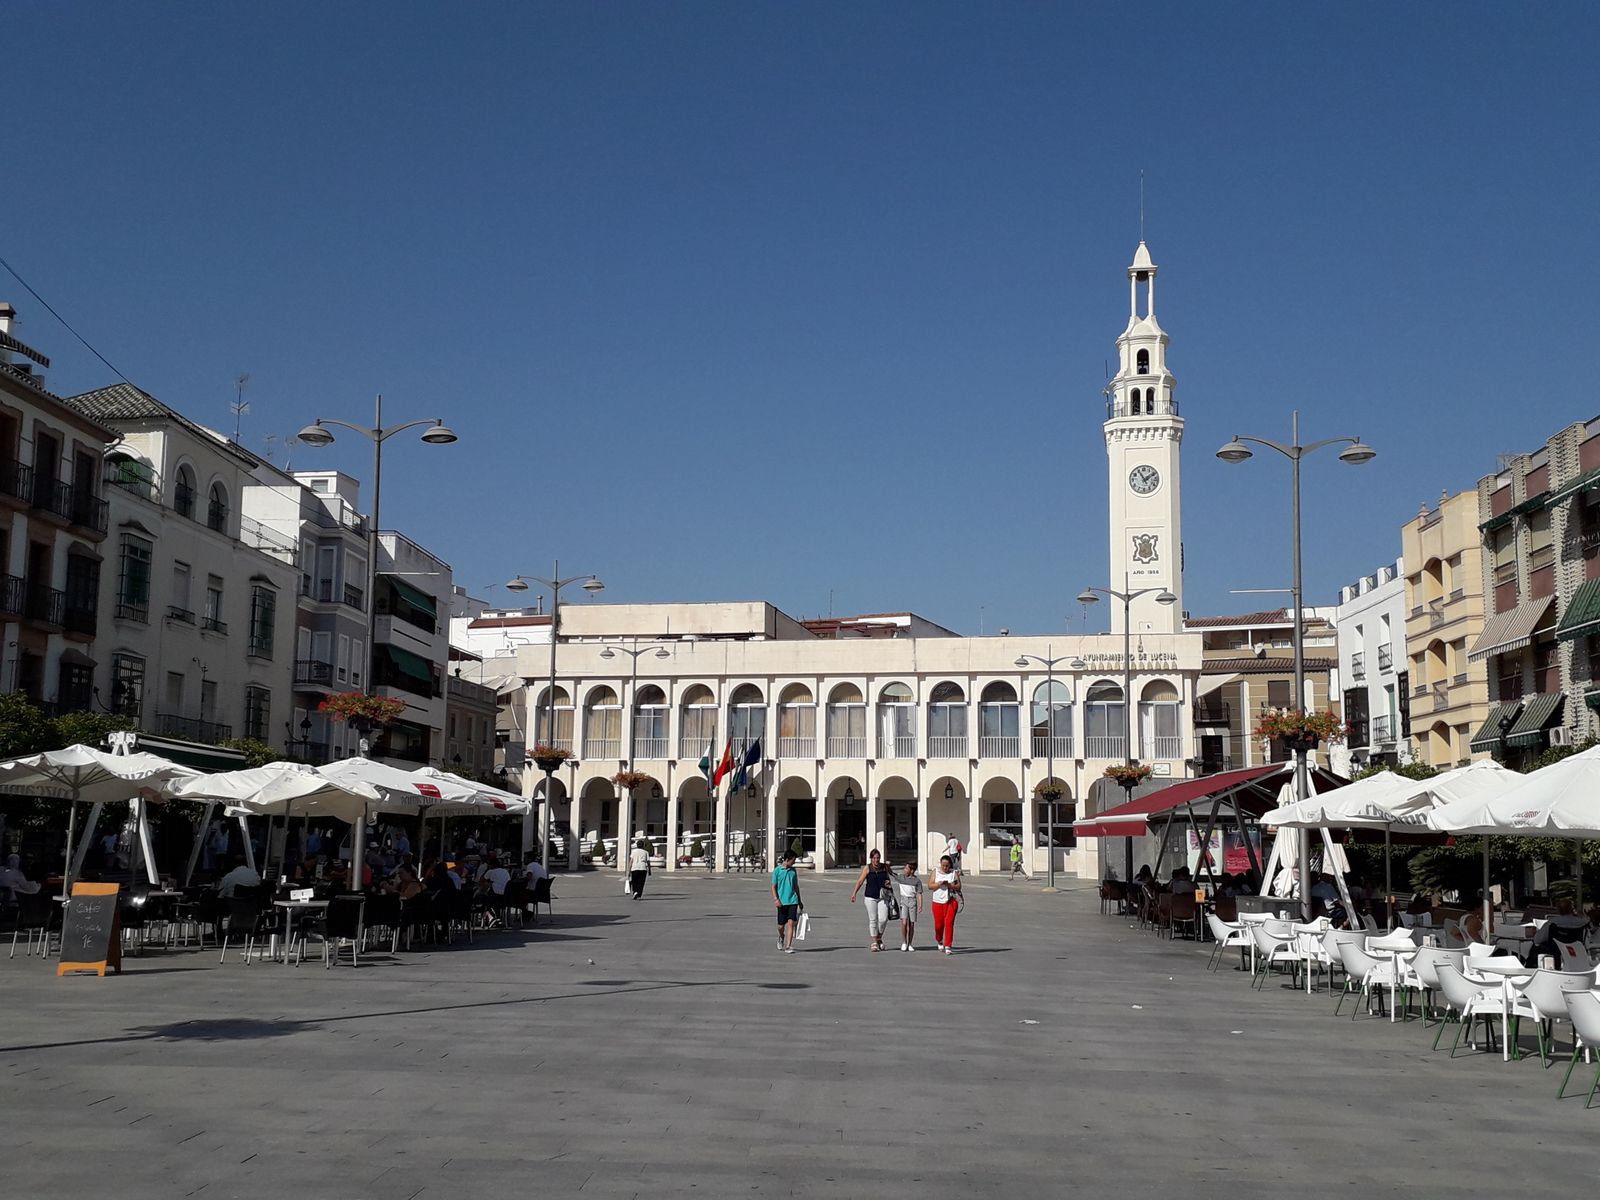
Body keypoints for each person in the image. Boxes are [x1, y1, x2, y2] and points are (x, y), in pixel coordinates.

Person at [848, 849, 893, 951]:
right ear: (871, 858)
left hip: (883, 896)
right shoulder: (867, 868)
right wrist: (854, 893)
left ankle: (879, 938)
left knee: (883, 919)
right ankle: (874, 942)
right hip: (870, 897)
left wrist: (889, 884)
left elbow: (891, 876)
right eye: (874, 858)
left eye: (878, 858)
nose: (876, 860)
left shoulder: (885, 867)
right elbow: (860, 881)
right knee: (873, 919)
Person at [927, 854, 962, 954]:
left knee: (949, 923)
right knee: (939, 925)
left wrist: (950, 885)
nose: (945, 867)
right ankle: (939, 940)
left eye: (947, 865)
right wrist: (938, 884)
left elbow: (959, 886)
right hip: (937, 901)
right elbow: (930, 885)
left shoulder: (953, 873)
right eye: (943, 865)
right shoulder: (935, 872)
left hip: (951, 901)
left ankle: (948, 945)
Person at [771, 850, 802, 953]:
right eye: (793, 860)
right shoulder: (777, 871)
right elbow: (773, 887)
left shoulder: (793, 871)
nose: (794, 862)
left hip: (793, 900)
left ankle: (788, 946)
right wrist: (776, 899)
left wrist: (799, 900)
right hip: (782, 902)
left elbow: (796, 886)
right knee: (780, 926)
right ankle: (781, 937)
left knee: (791, 923)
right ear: (787, 859)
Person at [893, 860, 925, 951]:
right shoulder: (901, 878)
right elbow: (891, 873)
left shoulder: (917, 881)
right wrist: (887, 865)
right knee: (904, 922)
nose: (904, 870)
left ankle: (910, 943)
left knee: (911, 924)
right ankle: (903, 942)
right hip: (904, 901)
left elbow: (919, 893)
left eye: (906, 868)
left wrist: (920, 905)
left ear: (912, 870)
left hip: (912, 901)